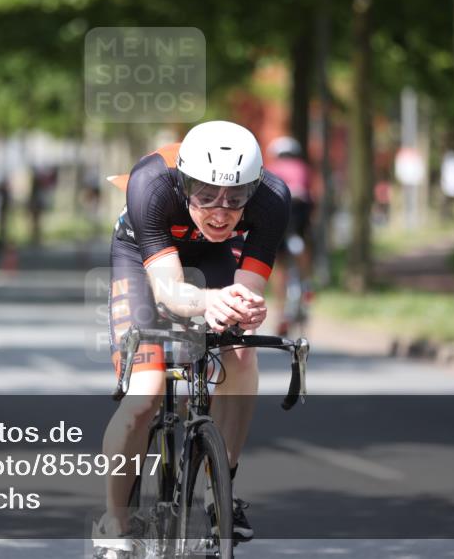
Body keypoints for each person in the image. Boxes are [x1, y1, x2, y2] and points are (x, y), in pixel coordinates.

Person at [96, 121, 291, 555]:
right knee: (146, 394)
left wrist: (248, 306)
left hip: (214, 256)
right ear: (184, 185)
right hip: (144, 256)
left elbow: (248, 289)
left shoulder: (273, 199)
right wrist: (209, 303)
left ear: (254, 189)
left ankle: (221, 489)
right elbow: (169, 291)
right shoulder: (152, 184)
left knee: (240, 356)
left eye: (235, 199)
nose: (221, 212)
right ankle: (115, 522)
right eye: (205, 196)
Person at [265, 136, 314, 333]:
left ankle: (280, 312)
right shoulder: (304, 167)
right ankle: (307, 283)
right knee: (304, 245)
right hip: (301, 211)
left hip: (281, 212)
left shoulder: (271, 168)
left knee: (280, 264)